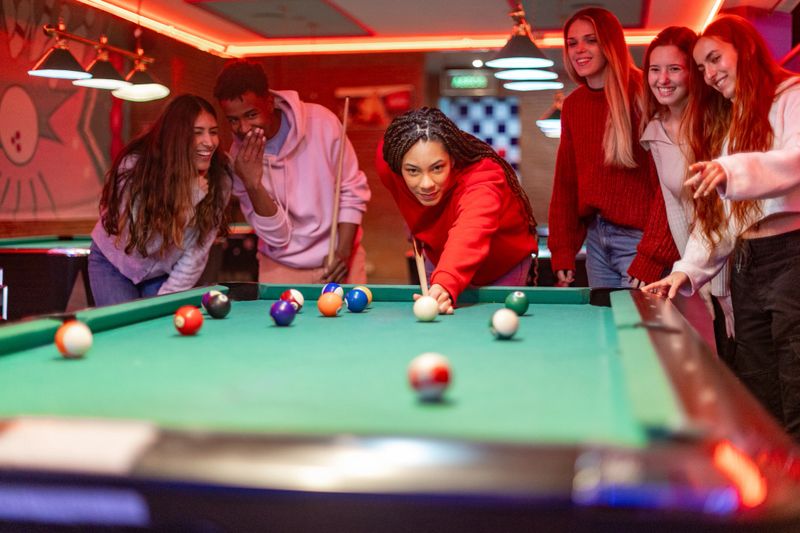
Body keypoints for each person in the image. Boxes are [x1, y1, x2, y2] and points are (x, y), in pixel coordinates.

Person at [643, 15, 800, 440]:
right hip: (749, 264)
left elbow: (794, 162)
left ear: (744, 50)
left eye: (715, 59)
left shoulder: (792, 96)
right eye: (701, 67)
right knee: (757, 391)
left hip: (793, 258)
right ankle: (773, 496)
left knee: (796, 391)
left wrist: (728, 169)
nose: (709, 75)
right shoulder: (733, 122)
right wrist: (684, 271)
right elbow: (720, 221)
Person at [549, 7, 678, 289]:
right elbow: (566, 183)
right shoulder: (573, 105)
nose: (579, 49)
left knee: (640, 332)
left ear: (610, 44)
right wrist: (562, 250)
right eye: (572, 43)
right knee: (605, 328)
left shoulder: (646, 92)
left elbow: (669, 187)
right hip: (597, 239)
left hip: (641, 241)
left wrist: (652, 255)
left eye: (591, 40)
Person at [213, 60, 370, 284]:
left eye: (250, 115)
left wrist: (343, 254)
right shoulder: (240, 160)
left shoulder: (323, 123)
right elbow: (276, 237)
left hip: (339, 259)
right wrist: (253, 184)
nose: (244, 128)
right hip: (280, 265)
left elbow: (352, 192)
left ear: (269, 102)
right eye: (233, 120)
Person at [376, 107, 538, 314]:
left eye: (437, 168)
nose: (426, 184)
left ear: (452, 160)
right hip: (439, 256)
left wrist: (445, 282)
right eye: (413, 171)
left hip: (501, 265)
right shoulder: (388, 159)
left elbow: (471, 230)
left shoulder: (483, 178)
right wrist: (414, 222)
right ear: (398, 167)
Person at [640, 26, 735, 361]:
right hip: (702, 263)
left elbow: (725, 212)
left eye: (674, 68)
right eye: (655, 69)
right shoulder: (655, 131)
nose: (662, 79)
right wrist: (697, 280)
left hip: (740, 260)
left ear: (693, 74)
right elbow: (677, 211)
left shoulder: (721, 122)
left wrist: (718, 287)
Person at [89, 94, 231, 306]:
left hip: (164, 272)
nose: (209, 142)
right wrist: (190, 199)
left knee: (160, 330)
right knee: (126, 335)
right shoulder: (136, 168)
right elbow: (139, 245)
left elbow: (196, 255)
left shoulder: (220, 175)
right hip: (113, 264)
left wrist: (161, 306)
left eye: (213, 132)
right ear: (177, 137)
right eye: (197, 133)